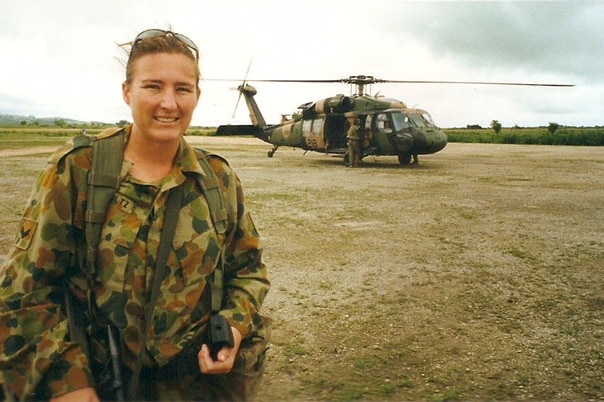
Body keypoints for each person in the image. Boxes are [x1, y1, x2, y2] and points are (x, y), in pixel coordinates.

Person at [0, 29, 270, 401]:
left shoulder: (217, 179)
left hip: (197, 387)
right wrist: (69, 385)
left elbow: (249, 270)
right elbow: (25, 290)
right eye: (153, 86)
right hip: (99, 381)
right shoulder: (78, 171)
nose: (169, 103)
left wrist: (233, 328)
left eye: (182, 89)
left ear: (197, 96)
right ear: (127, 92)